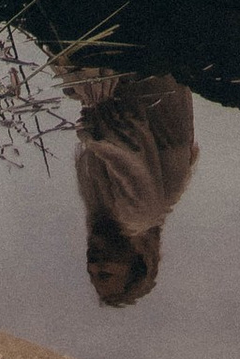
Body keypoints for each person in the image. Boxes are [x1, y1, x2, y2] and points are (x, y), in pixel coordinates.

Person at [66, 68, 197, 308]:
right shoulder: (140, 214)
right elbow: (114, 137)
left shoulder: (117, 214)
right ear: (139, 258)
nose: (93, 264)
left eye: (92, 273)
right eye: (105, 273)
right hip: (143, 67)